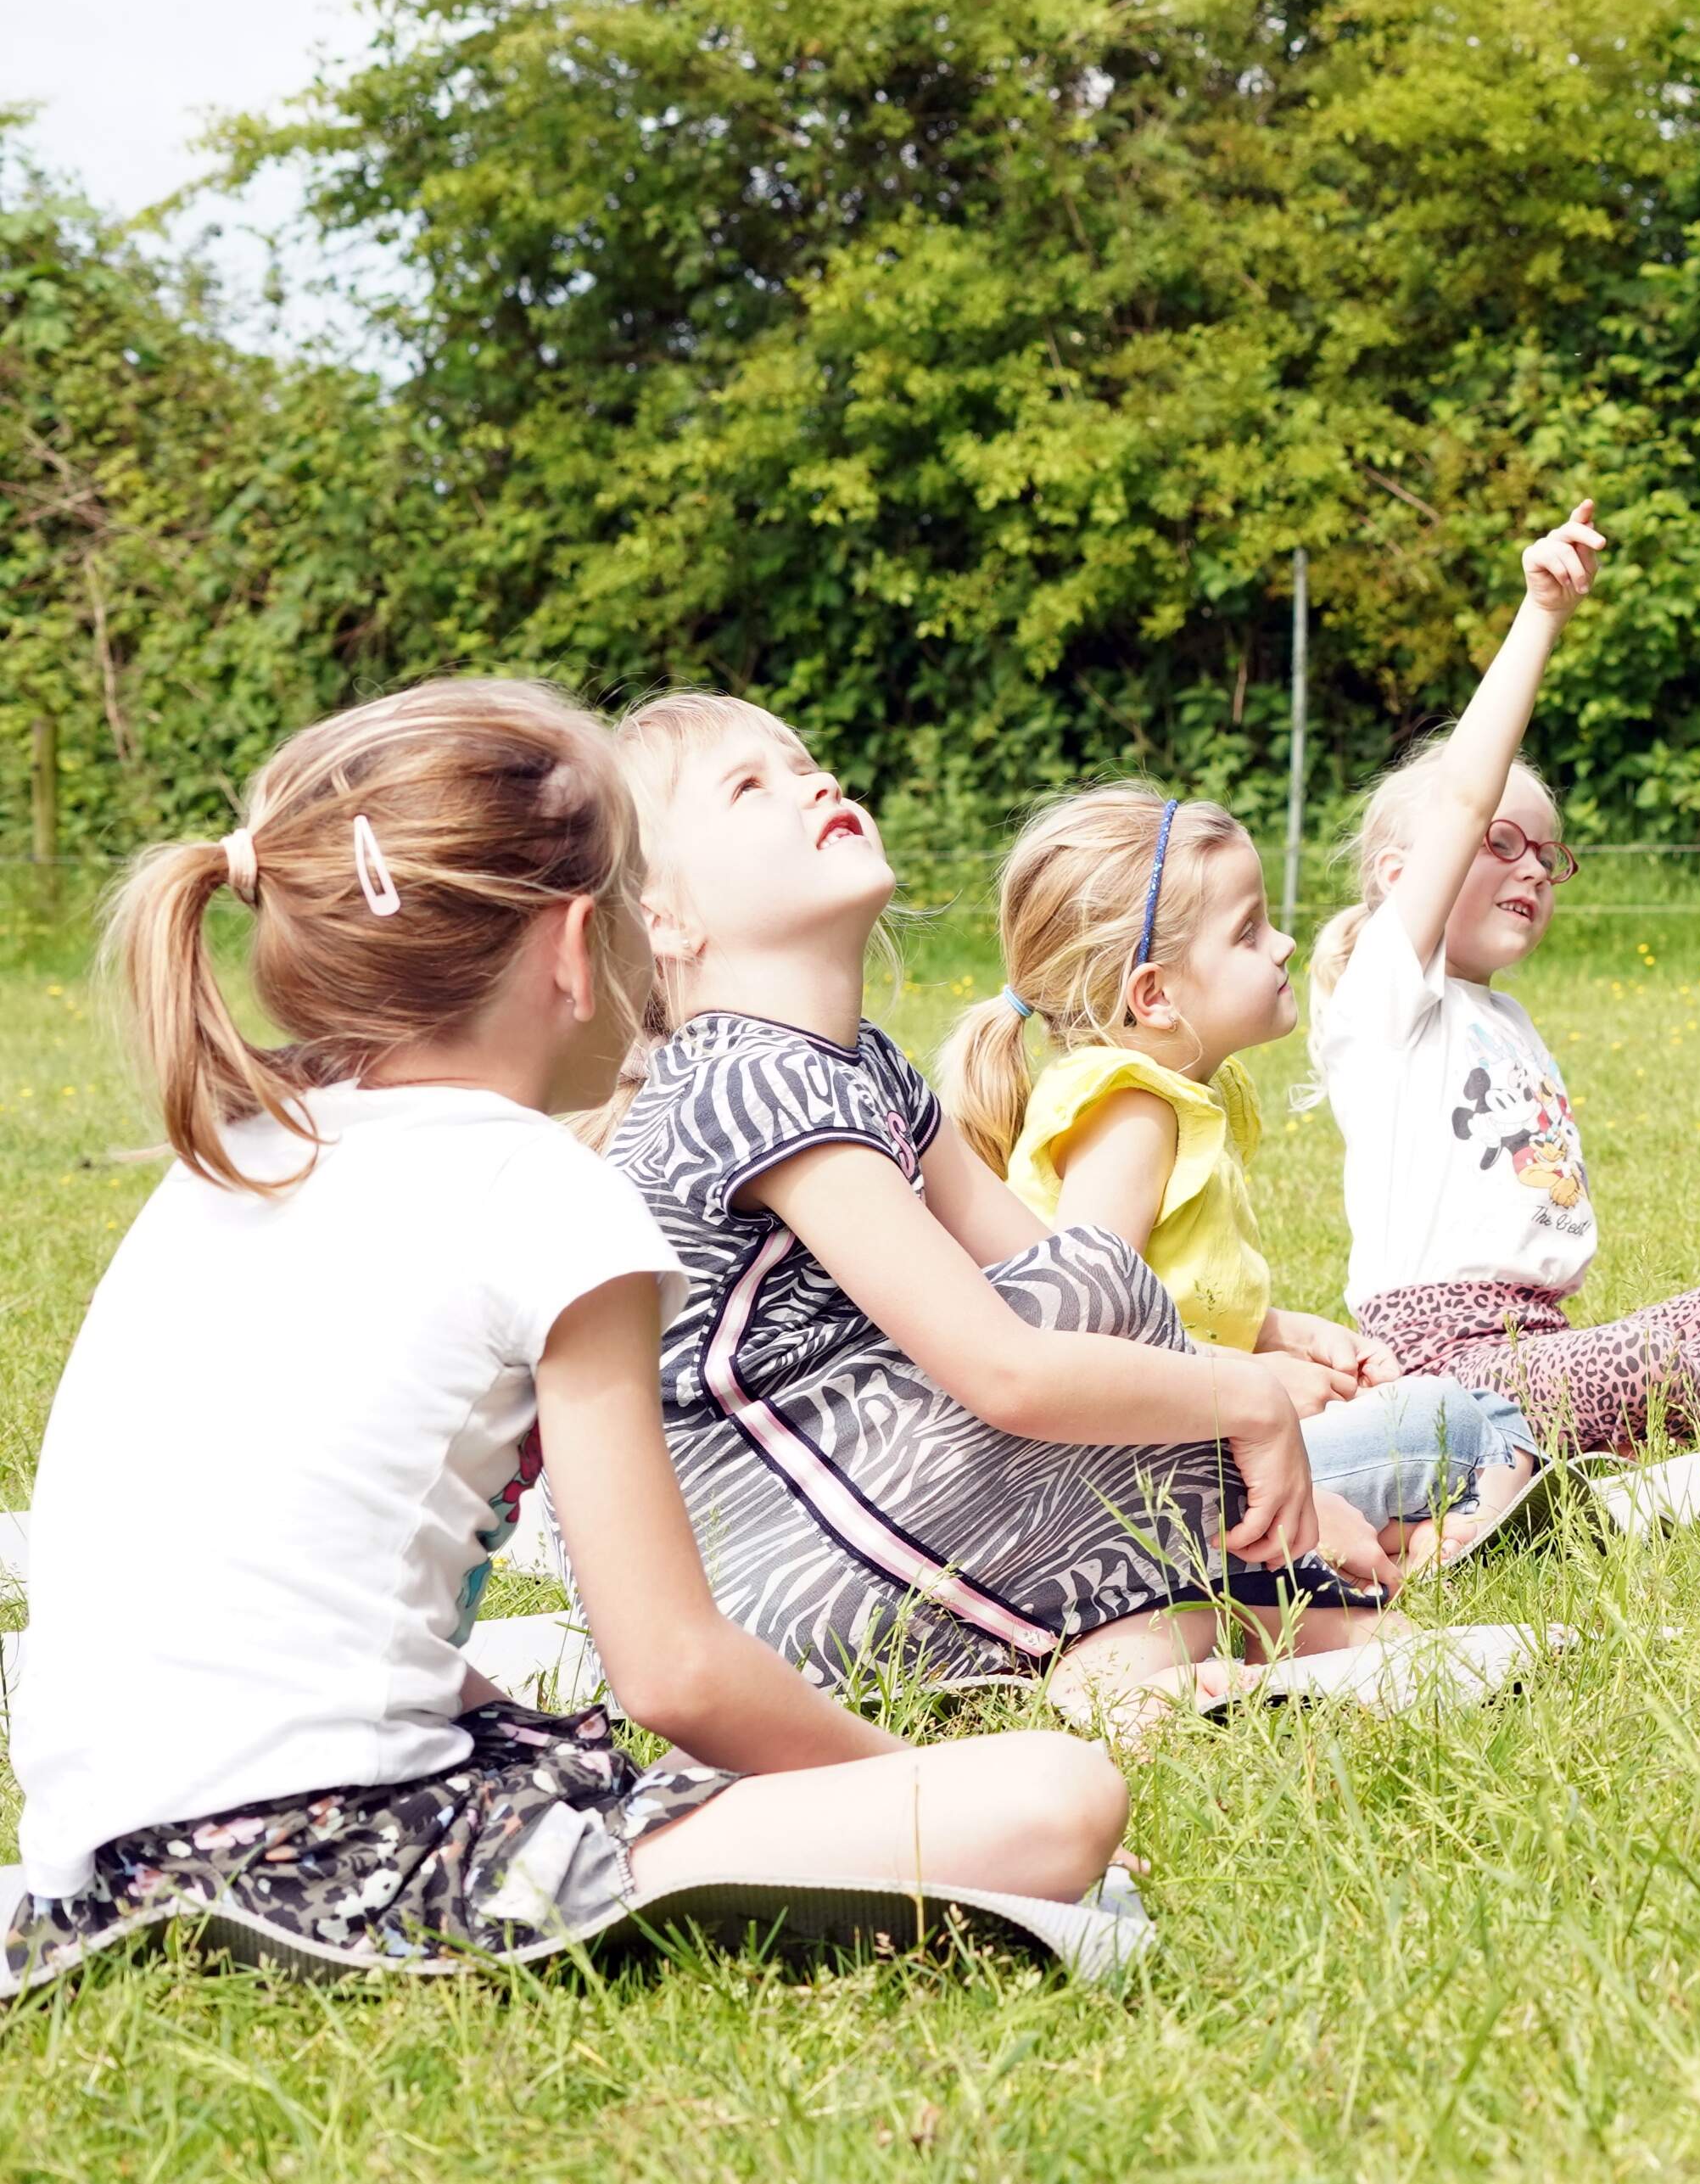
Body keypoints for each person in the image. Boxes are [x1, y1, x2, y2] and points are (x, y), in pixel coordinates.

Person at [4, 680, 1127, 1990]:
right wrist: (917, 1782)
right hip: (334, 1865)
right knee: (1055, 1798)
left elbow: (294, 1605)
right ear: (573, 945)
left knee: (576, 1752)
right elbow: (676, 1668)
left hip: (109, 1857)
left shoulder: (238, 1153)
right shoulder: (541, 1192)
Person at [607, 692, 1401, 1725]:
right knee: (1099, 1301)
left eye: (804, 761)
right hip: (764, 1576)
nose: (815, 783)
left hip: (860, 1506)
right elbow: (1007, 1369)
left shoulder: (858, 1065)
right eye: (749, 787)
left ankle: (1181, 1635)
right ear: (664, 919)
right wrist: (1250, 1410)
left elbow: (1066, 1290)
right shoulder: (747, 1079)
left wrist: (1249, 1414)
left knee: (1092, 1283)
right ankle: (1191, 1633)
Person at [1317, 503, 1700, 1453]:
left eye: (1547, 854)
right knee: (1642, 1369)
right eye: (1502, 843)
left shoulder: (1508, 1018)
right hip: (1435, 1358)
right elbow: (1461, 792)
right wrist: (1541, 614)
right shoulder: (1386, 996)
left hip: (1546, 1344)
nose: (1533, 868)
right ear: (1403, 879)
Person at [940, 783, 1548, 1574]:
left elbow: (1165, 1293)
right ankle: (1425, 1547)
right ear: (1154, 995)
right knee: (1472, 1420)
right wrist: (1257, 1377)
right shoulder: (1131, 1116)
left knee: (1445, 1411)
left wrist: (1287, 1332)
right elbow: (1088, 1333)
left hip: (1194, 1443)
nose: (1286, 942)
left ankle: (1382, 1543)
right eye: (1249, 930)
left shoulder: (1160, 1099)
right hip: (1150, 1474)